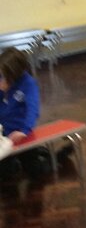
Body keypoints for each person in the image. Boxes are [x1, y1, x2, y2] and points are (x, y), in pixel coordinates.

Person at [0, 47, 49, 185]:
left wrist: (24, 131)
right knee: (5, 174)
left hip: (20, 134)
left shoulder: (28, 84)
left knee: (36, 171)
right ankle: (13, 164)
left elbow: (32, 110)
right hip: (3, 135)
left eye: (4, 75)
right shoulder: (3, 79)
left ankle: (45, 157)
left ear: (14, 74)